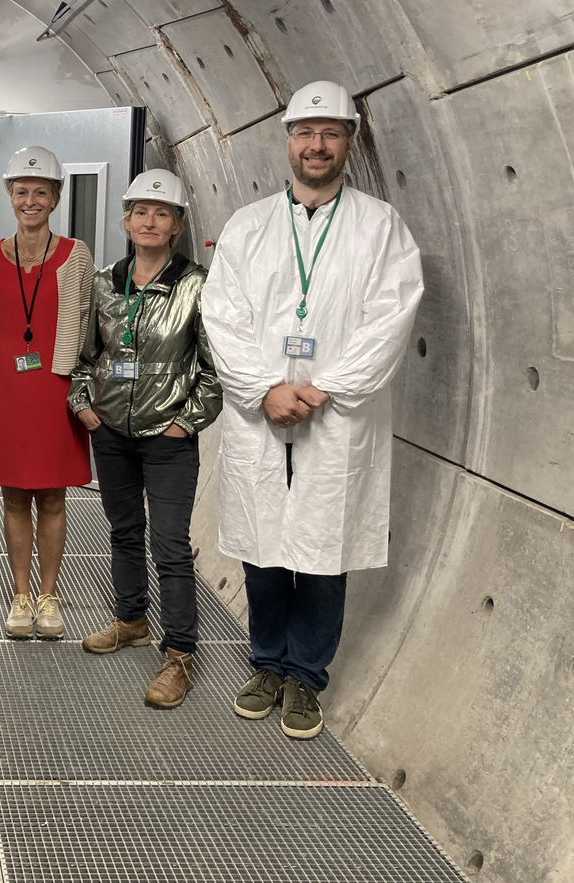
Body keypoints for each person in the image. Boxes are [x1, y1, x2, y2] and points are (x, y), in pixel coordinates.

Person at [203, 80, 423, 740]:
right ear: (288, 141)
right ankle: (266, 661)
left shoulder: (379, 226)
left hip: (336, 418)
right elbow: (223, 317)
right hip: (262, 414)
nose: (317, 144)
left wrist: (324, 388)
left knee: (324, 552)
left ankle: (306, 676)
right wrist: (267, 388)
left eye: (332, 133)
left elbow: (391, 315)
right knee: (265, 546)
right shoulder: (249, 227)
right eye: (306, 131)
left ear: (350, 143)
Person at [70, 170, 222, 708]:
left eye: (161, 213)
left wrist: (187, 421)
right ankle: (131, 619)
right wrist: (84, 405)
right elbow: (87, 356)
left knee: (171, 546)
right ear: (127, 221)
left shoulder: (196, 284)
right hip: (112, 431)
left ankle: (179, 653)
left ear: (177, 225)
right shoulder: (107, 283)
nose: (149, 221)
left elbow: (213, 366)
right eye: (139, 212)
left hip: (169, 437)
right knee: (124, 531)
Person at [0, 146, 96, 640]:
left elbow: (84, 327)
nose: (30, 200)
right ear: (9, 194)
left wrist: (82, 391)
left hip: (54, 387)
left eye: (40, 192)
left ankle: (49, 594)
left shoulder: (75, 254)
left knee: (52, 496)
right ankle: (20, 595)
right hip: (4, 387)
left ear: (56, 197)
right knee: (13, 498)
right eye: (21, 191)